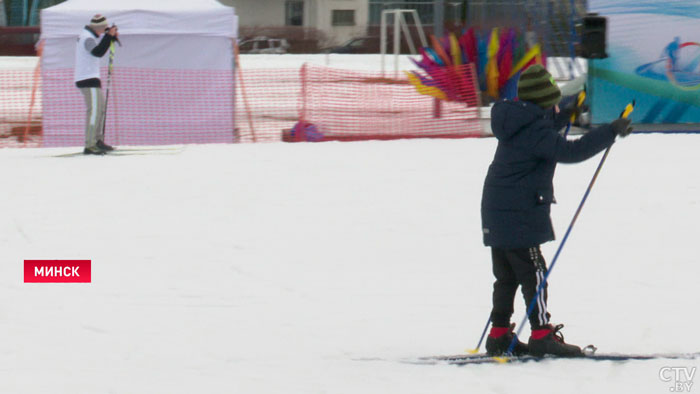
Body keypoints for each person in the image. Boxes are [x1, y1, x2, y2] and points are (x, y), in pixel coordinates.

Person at [480, 64, 633, 357]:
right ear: (541, 101)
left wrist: (567, 114)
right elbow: (570, 151)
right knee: (533, 271)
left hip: (498, 210)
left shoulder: (518, 120)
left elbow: (542, 128)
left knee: (508, 275)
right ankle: (541, 334)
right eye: (552, 99)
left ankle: (499, 334)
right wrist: (610, 131)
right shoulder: (535, 131)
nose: (555, 104)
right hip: (517, 212)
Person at [74, 14, 119, 155]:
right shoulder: (87, 37)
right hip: (87, 79)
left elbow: (99, 48)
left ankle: (97, 140)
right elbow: (98, 52)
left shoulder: (89, 35)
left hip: (91, 77)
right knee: (94, 111)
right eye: (103, 29)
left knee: (100, 110)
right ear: (98, 27)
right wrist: (108, 37)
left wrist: (109, 37)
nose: (104, 31)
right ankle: (90, 144)